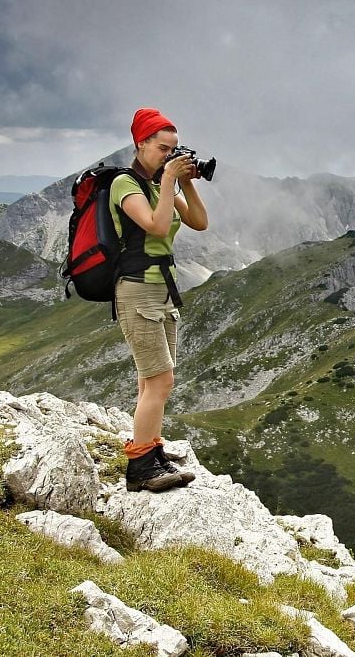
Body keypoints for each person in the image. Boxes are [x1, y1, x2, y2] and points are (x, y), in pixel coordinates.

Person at [113, 107, 209, 492]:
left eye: (174, 150)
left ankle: (152, 453)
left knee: (151, 381)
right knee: (161, 380)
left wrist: (186, 182)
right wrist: (169, 178)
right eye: (163, 148)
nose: (168, 156)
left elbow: (200, 222)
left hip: (160, 289)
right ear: (141, 144)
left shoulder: (157, 184)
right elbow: (154, 224)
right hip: (136, 287)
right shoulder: (126, 184)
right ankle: (140, 468)